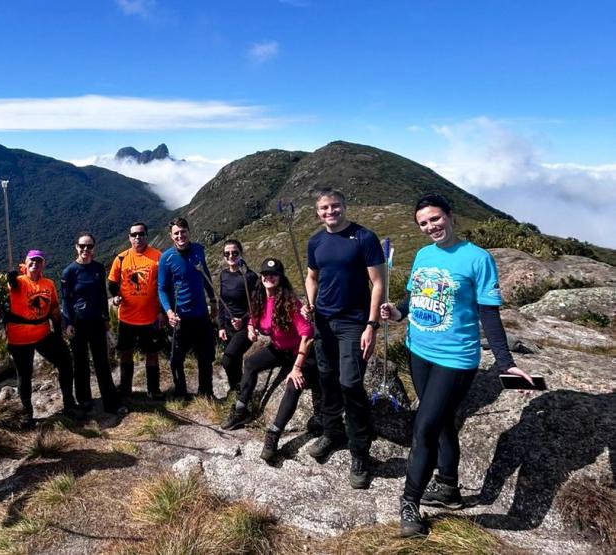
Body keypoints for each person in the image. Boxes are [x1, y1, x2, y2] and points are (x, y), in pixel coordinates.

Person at [379, 193, 533, 537]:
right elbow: (412, 296)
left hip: (456, 359)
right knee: (442, 420)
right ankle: (448, 488)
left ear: (450, 215)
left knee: (424, 428)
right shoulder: (422, 255)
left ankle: (409, 503)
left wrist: (505, 362)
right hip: (419, 351)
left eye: (435, 218)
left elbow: (489, 315)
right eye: (423, 223)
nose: (431, 226)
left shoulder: (477, 259)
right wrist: (398, 312)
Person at [303, 188, 385, 489]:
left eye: (335, 206)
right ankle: (331, 432)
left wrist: (371, 325)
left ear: (344, 206)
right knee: (326, 379)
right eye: (324, 208)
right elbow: (312, 277)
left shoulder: (364, 238)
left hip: (354, 323)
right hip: (323, 322)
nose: (330, 212)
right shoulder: (316, 241)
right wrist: (309, 303)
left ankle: (360, 452)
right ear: (318, 212)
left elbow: (377, 283)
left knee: (351, 384)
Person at [220, 258, 318, 464]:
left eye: (273, 274)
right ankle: (241, 410)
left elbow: (307, 335)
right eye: (265, 274)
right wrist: (249, 328)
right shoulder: (259, 300)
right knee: (250, 364)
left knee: (293, 385)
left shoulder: (291, 302)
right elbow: (253, 321)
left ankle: (273, 434)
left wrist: (298, 367)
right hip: (279, 349)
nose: (268, 277)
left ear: (281, 278)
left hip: (300, 352)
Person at [6, 250, 78, 428]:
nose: (35, 264)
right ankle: (27, 415)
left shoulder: (48, 284)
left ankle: (69, 403)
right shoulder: (18, 282)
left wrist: (59, 332)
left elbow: (53, 308)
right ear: (26, 262)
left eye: (39, 261)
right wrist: (10, 280)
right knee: (24, 375)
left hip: (43, 334)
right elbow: (10, 289)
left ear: (43, 265)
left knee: (65, 362)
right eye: (32, 261)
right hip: (19, 338)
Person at [61, 232, 126, 416]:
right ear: (76, 247)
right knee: (80, 364)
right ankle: (84, 401)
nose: (85, 250)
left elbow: (100, 295)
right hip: (78, 324)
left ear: (94, 248)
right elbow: (65, 300)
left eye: (89, 246)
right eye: (82, 246)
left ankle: (110, 402)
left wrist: (106, 319)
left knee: (102, 363)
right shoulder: (69, 272)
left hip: (96, 322)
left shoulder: (98, 268)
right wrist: (67, 324)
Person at [158, 217, 218, 398]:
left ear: (189, 232)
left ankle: (206, 392)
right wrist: (168, 311)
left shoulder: (199, 250)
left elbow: (205, 275)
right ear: (171, 236)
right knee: (176, 359)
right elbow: (161, 288)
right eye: (176, 233)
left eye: (183, 231)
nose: (180, 235)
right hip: (180, 316)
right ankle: (180, 391)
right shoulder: (166, 258)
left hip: (201, 314)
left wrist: (213, 300)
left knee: (206, 356)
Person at [108, 222, 165, 400]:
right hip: (127, 318)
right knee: (126, 354)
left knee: (152, 354)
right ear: (129, 237)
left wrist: (163, 311)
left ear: (146, 235)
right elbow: (112, 283)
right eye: (134, 235)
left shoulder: (158, 257)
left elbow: (164, 286)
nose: (137, 237)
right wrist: (116, 296)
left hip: (151, 317)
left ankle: (153, 390)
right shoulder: (121, 258)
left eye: (140, 234)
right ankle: (126, 390)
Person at [216, 240, 259, 393]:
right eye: (227, 253)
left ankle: (239, 389)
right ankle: (238, 392)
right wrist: (221, 326)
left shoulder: (250, 276)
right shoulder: (224, 275)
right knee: (234, 361)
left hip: (244, 328)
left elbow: (256, 305)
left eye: (235, 252)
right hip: (228, 326)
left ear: (241, 253)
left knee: (227, 360)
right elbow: (221, 302)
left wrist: (244, 320)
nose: (231, 256)